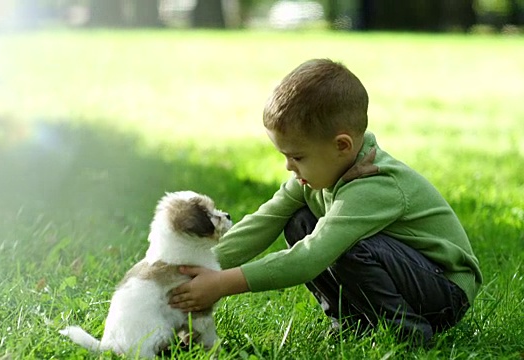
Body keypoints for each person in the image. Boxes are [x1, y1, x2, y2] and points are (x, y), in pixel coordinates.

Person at [169, 58, 482, 345]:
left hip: (445, 291)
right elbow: (264, 222)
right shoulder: (321, 177)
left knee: (344, 244)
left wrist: (222, 283)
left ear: (342, 146)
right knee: (299, 221)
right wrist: (192, 268)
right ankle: (351, 323)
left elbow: (310, 257)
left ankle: (408, 333)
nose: (289, 167)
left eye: (297, 156)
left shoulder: (374, 185)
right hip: (410, 276)